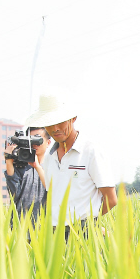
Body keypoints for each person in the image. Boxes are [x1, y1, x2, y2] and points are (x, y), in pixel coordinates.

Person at [26, 93, 117, 239]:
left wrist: (89, 224)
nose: (55, 128)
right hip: (55, 234)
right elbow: (52, 194)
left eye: (60, 121)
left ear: (73, 118)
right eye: (49, 123)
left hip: (83, 231)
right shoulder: (50, 156)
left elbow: (111, 200)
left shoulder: (90, 151)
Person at [4, 126, 50, 224]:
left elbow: (55, 192)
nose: (34, 144)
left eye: (38, 140)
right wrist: (9, 160)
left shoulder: (53, 167)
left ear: (48, 143)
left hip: (45, 228)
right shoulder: (21, 166)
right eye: (31, 140)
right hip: (20, 227)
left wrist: (37, 166)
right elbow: (14, 194)